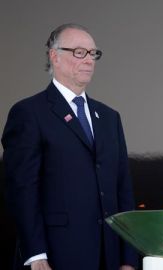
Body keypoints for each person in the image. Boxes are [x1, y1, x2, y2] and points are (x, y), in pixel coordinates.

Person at [2, 23, 138, 270]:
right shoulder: (29, 113)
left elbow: (123, 191)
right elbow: (21, 190)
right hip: (56, 256)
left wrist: (128, 258)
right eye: (79, 52)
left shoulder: (109, 118)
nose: (89, 60)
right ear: (54, 56)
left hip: (109, 257)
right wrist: (36, 255)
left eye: (93, 53)